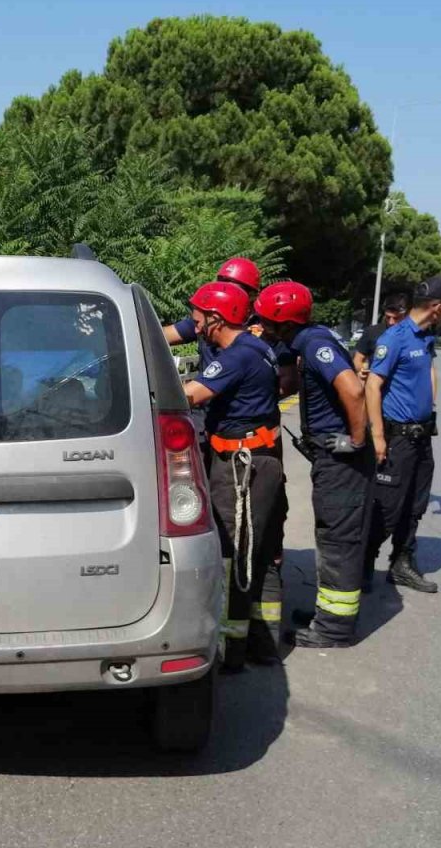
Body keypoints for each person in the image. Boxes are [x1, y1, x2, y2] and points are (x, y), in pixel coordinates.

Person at [256, 282, 370, 648]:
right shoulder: (306, 339)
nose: (261, 325)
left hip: (341, 459)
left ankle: (335, 629)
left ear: (283, 323)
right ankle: (328, 613)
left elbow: (353, 389)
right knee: (329, 533)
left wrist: (356, 440)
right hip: (330, 455)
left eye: (266, 321)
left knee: (337, 539)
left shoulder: (314, 344)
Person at [182, 281, 283, 669]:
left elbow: (191, 395)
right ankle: (256, 644)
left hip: (241, 466)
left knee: (231, 556)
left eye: (198, 317)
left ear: (216, 318)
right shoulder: (256, 348)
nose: (194, 323)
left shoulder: (237, 356)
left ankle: (229, 653)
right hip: (256, 460)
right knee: (251, 553)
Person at [364, 276, 441, 596]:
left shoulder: (426, 336)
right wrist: (378, 436)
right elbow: (373, 385)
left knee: (415, 504)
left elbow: (427, 373)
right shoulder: (395, 338)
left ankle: (401, 563)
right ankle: (362, 564)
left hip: (421, 436)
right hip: (398, 437)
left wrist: (430, 407)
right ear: (437, 307)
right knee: (387, 507)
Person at [353, 293, 409, 383]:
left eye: (396, 318)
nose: (391, 322)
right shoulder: (371, 332)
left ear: (405, 315)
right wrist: (361, 371)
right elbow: (358, 359)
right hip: (375, 386)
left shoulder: (412, 334)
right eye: (388, 317)